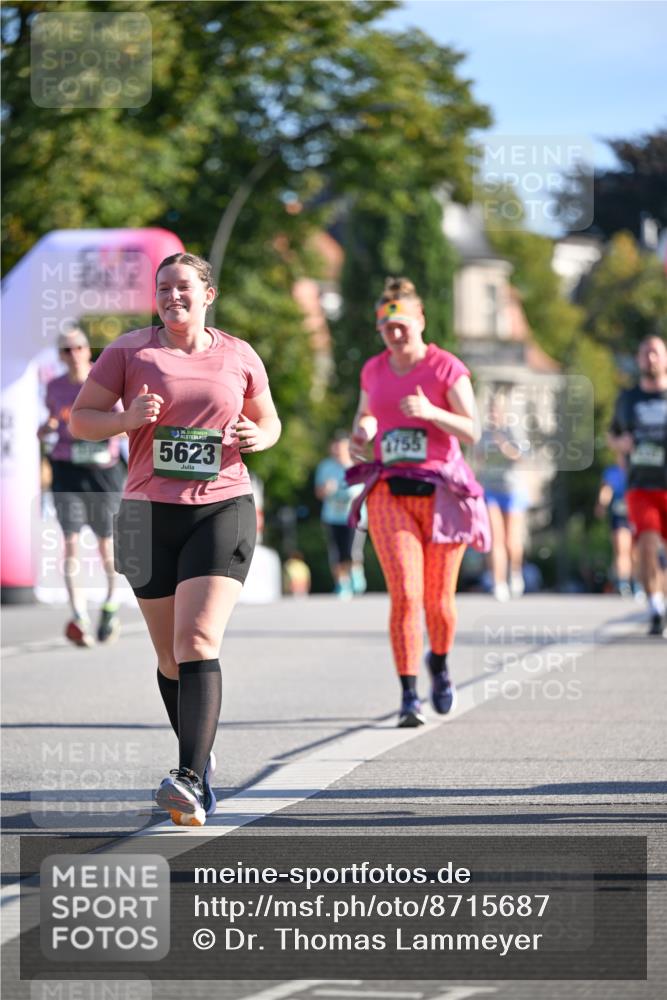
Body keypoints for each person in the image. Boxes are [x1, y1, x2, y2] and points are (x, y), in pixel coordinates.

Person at [70, 252, 281, 825]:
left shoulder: (238, 354)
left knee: (196, 641)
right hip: (143, 517)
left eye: (183, 287)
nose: (172, 297)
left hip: (221, 506)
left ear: (208, 294)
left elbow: (270, 420)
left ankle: (187, 777)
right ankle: (200, 764)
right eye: (163, 288)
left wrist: (256, 435)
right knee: (168, 658)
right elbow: (81, 419)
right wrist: (126, 418)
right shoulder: (128, 351)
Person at [348, 277, 489, 727]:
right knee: (405, 596)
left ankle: (440, 663)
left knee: (438, 603)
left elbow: (472, 431)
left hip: (442, 493)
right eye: (387, 327)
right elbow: (365, 415)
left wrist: (432, 413)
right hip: (390, 492)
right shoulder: (374, 370)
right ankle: (409, 695)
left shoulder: (446, 368)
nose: (394, 333)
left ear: (420, 321)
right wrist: (363, 432)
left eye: (402, 324)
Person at [37, 327, 125, 647]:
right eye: (66, 350)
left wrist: (103, 431)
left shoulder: (106, 381)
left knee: (106, 546)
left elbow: (126, 423)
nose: (73, 354)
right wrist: (44, 429)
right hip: (67, 470)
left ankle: (111, 606)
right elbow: (49, 425)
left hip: (103, 471)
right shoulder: (54, 387)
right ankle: (79, 616)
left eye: (78, 347)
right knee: (70, 543)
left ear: (89, 350)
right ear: (60, 356)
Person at [609, 335, 667, 636]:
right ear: (639, 360)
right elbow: (612, 435)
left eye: (656, 353)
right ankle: (655, 605)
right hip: (641, 485)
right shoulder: (628, 399)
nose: (650, 359)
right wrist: (621, 443)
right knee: (646, 543)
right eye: (645, 354)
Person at [475, 392, 529, 602]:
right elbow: (479, 459)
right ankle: (498, 582)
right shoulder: (484, 434)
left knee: (511, 541)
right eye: (491, 409)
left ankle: (515, 572)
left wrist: (504, 447)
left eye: (496, 409)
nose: (493, 413)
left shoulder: (513, 431)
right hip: (490, 489)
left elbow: (524, 457)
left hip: (512, 489)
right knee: (495, 538)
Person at [314, 431, 367, 598]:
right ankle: (342, 584)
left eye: (341, 446)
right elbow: (318, 493)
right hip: (332, 516)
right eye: (334, 446)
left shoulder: (358, 465)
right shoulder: (325, 467)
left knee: (352, 550)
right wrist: (326, 490)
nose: (337, 450)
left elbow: (369, 490)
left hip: (354, 516)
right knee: (336, 552)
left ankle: (356, 574)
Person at [594, 459, 633, 597]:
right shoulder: (612, 471)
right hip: (620, 514)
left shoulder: (639, 467)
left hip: (639, 511)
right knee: (622, 549)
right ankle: (624, 583)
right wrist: (602, 504)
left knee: (636, 551)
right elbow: (606, 489)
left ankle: (638, 583)